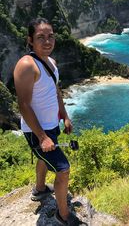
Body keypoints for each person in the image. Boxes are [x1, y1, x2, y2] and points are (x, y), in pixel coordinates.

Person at [14, 18, 80, 226]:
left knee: (44, 160)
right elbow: (23, 105)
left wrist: (65, 116)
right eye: (40, 37)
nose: (47, 41)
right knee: (63, 169)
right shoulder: (26, 65)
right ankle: (63, 216)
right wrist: (42, 137)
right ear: (30, 41)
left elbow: (56, 91)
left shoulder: (51, 63)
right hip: (37, 131)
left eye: (50, 36)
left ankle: (40, 189)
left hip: (52, 125)